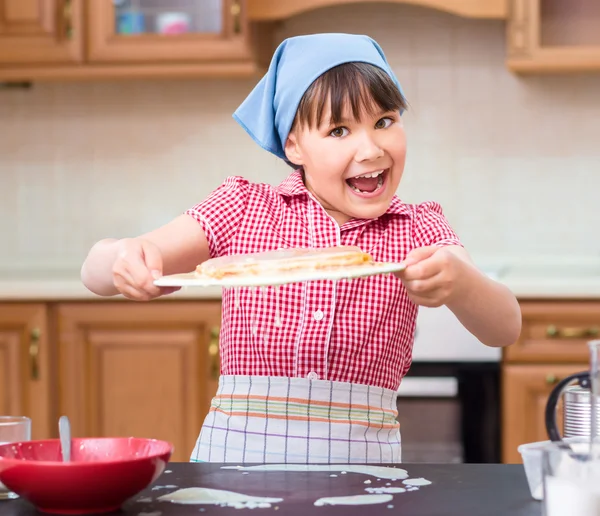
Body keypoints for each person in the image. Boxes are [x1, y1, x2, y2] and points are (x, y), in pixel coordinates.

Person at [81, 33, 521, 464]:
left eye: (384, 121)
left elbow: (505, 328)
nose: (370, 149)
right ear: (293, 144)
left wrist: (461, 282)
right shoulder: (244, 207)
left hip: (362, 476)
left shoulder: (420, 225)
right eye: (339, 130)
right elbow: (97, 272)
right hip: (235, 469)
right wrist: (123, 257)